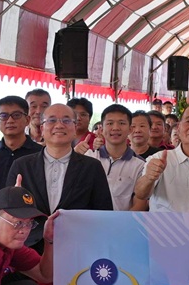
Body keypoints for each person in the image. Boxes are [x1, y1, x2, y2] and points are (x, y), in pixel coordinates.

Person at [7, 103, 115, 242]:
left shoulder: (92, 167)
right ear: (42, 129)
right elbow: (8, 211)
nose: (59, 125)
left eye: (66, 120)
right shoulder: (22, 166)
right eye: (52, 120)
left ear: (75, 128)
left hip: (76, 245)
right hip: (29, 246)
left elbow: (103, 213)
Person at [90, 104, 146, 210]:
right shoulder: (89, 157)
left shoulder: (140, 165)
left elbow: (140, 203)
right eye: (110, 123)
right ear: (101, 129)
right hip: (89, 219)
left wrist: (123, 220)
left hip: (123, 220)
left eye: (121, 123)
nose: (115, 128)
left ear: (130, 129)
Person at [0, 95, 42, 189]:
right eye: (4, 116)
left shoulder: (41, 153)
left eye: (16, 115)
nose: (10, 120)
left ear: (27, 120)